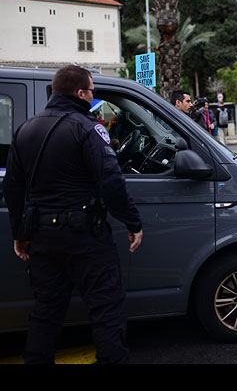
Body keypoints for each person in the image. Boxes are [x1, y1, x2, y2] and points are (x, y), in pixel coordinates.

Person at [3, 65, 143, 364]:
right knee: (106, 309)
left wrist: (20, 233)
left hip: (42, 237)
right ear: (80, 93)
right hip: (85, 237)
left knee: (45, 312)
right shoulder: (88, 127)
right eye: (91, 92)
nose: (92, 98)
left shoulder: (25, 129)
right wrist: (132, 222)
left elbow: (12, 188)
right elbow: (111, 182)